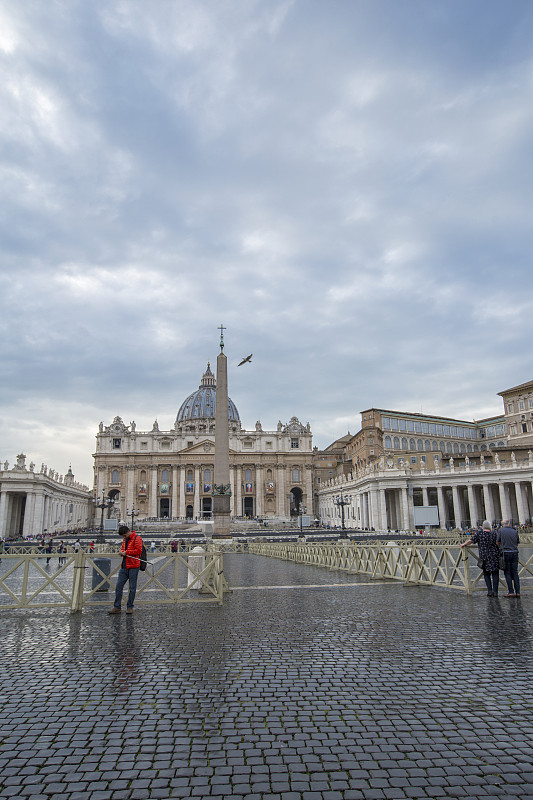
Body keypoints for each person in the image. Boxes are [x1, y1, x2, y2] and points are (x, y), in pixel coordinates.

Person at [108, 524, 143, 614]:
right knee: (118, 587)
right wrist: (122, 552)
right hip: (124, 566)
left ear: (128, 531)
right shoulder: (125, 539)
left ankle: (130, 607)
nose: (124, 537)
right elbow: (124, 549)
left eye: (124, 535)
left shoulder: (137, 538)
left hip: (133, 566)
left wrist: (126, 552)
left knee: (132, 588)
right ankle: (117, 607)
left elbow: (138, 551)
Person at [460, 520, 500, 597]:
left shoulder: (480, 533)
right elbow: (498, 542)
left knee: (486, 574)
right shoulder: (494, 533)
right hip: (494, 556)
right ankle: (495, 592)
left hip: (484, 556)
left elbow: (471, 540)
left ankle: (489, 591)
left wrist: (464, 544)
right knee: (495, 574)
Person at [497, 519, 520, 598]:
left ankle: (511, 591)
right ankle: (518, 592)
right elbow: (517, 542)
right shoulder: (514, 531)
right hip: (515, 552)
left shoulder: (500, 531)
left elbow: (497, 541)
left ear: (502, 524)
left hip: (505, 553)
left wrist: (500, 547)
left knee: (507, 572)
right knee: (515, 572)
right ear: (509, 523)